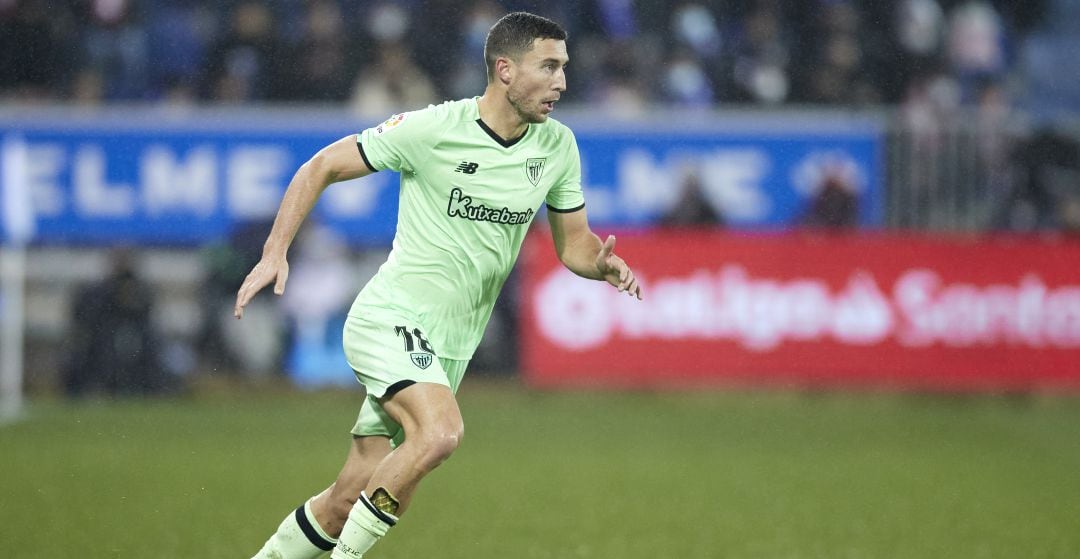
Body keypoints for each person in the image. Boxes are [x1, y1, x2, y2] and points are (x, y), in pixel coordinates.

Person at [234, 12, 642, 559]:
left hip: (448, 347)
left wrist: (603, 264)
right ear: (504, 69)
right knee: (441, 433)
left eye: (564, 68)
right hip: (390, 318)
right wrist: (274, 251)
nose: (561, 82)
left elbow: (576, 244)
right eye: (548, 67)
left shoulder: (557, 147)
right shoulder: (432, 129)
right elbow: (322, 165)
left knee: (349, 497)